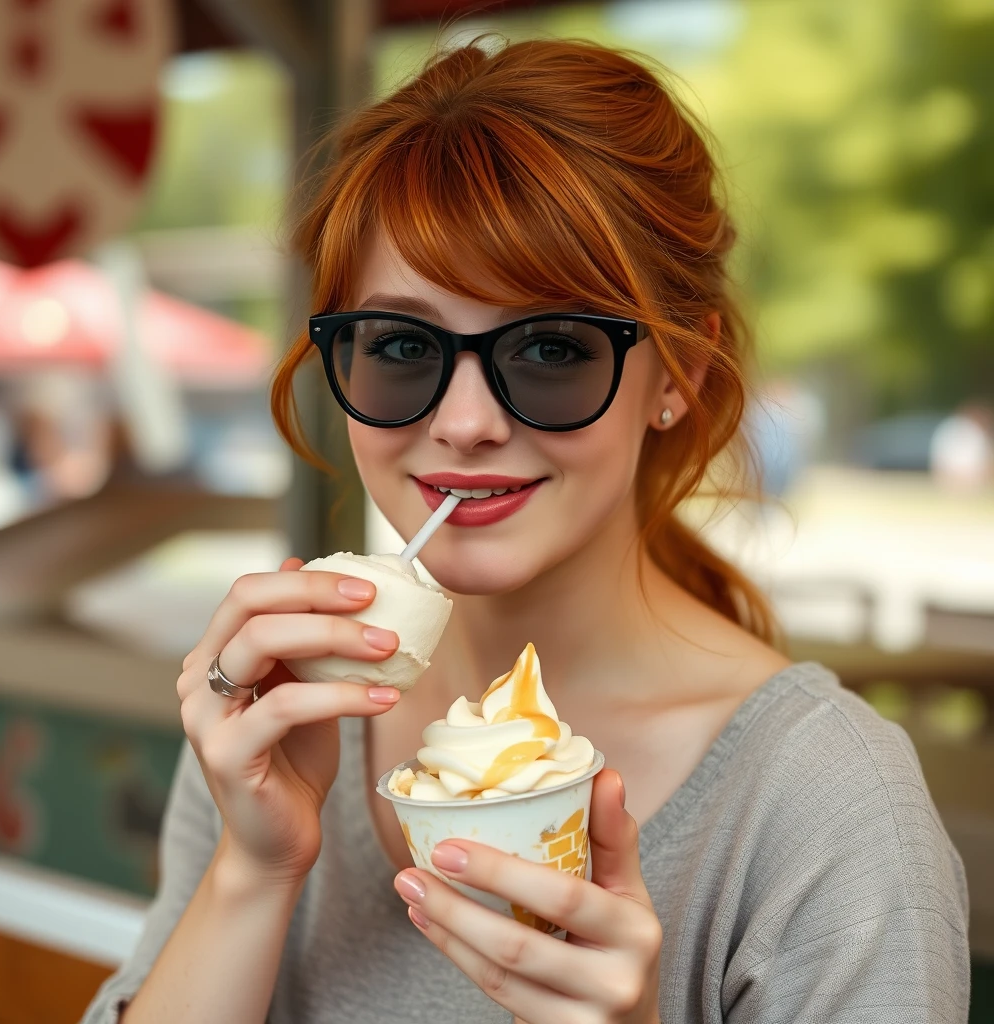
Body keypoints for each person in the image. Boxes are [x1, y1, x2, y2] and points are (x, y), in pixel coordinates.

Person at [83, 37, 969, 1024]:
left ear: (677, 374)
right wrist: (254, 868)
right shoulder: (284, 721)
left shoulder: (820, 805)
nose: (463, 422)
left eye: (551, 346)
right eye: (402, 346)